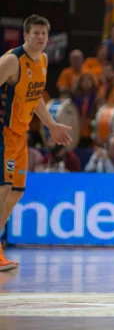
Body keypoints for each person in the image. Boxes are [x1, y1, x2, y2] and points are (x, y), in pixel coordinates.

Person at [0, 15, 72, 270]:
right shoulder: (11, 61)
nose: (41, 37)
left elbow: (35, 97)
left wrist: (52, 125)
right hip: (4, 133)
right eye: (36, 33)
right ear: (25, 35)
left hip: (21, 135)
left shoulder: (42, 60)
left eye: (44, 33)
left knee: (17, 191)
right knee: (3, 189)